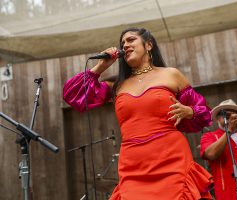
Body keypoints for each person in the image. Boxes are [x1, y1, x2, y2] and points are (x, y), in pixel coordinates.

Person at [63, 27, 214, 200]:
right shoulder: (117, 85)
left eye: (131, 40)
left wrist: (190, 111)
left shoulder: (171, 75)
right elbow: (72, 94)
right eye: (122, 43)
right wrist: (100, 67)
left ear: (148, 45)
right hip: (133, 163)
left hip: (171, 158)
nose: (125, 45)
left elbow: (205, 113)